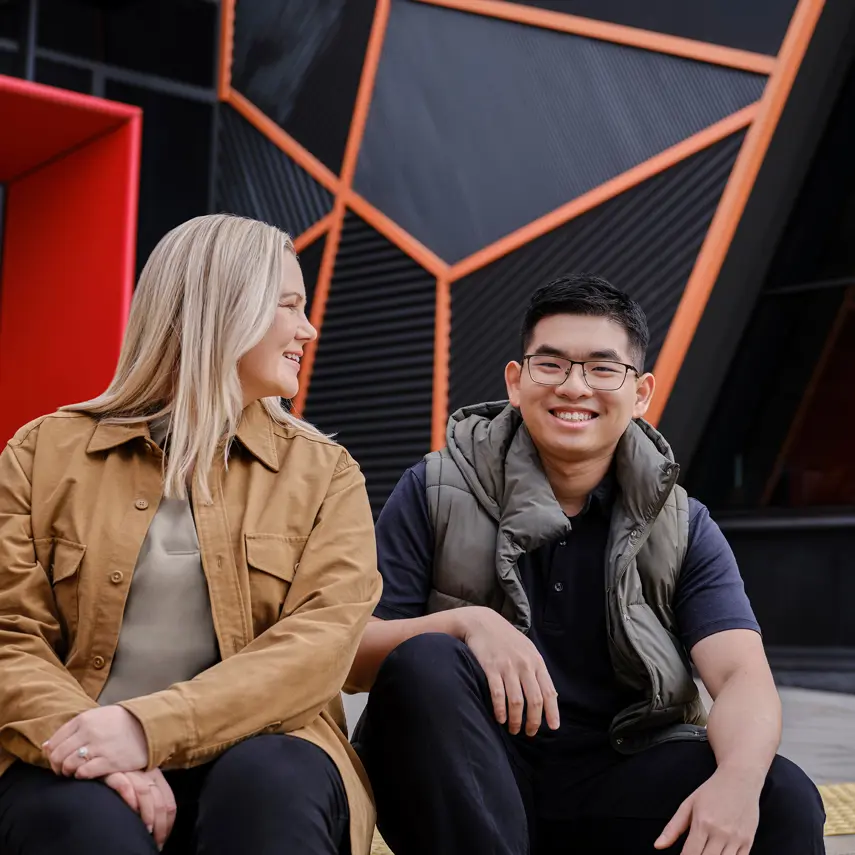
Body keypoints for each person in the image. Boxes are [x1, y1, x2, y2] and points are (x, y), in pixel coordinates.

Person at [349, 274, 825, 854]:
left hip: (618, 777)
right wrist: (466, 623)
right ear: (516, 381)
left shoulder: (681, 523)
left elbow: (742, 677)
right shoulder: (435, 489)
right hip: (465, 780)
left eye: (603, 368)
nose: (575, 387)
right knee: (427, 656)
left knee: (784, 796)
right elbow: (352, 656)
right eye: (551, 365)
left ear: (641, 391)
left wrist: (738, 782)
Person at [0, 214, 381, 855]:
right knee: (83, 824)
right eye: (289, 305)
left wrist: (147, 727)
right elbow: (9, 634)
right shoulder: (42, 453)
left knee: (269, 788)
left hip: (266, 751)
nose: (308, 329)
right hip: (72, 751)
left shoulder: (325, 475)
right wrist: (95, 740)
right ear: (223, 309)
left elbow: (318, 650)